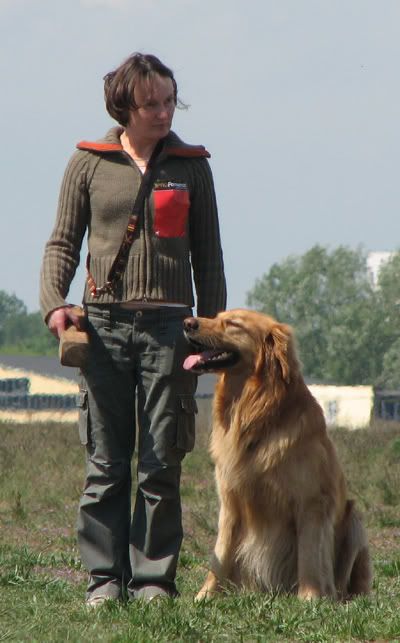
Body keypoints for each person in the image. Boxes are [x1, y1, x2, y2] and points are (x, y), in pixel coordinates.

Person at [40, 52, 226, 606]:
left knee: (162, 461)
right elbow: (62, 242)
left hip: (172, 328)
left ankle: (153, 582)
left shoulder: (192, 166)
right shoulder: (88, 162)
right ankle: (104, 580)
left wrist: (212, 334)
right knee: (106, 462)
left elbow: (209, 256)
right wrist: (54, 305)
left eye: (170, 101)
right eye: (151, 104)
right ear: (124, 106)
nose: (163, 112)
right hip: (104, 326)